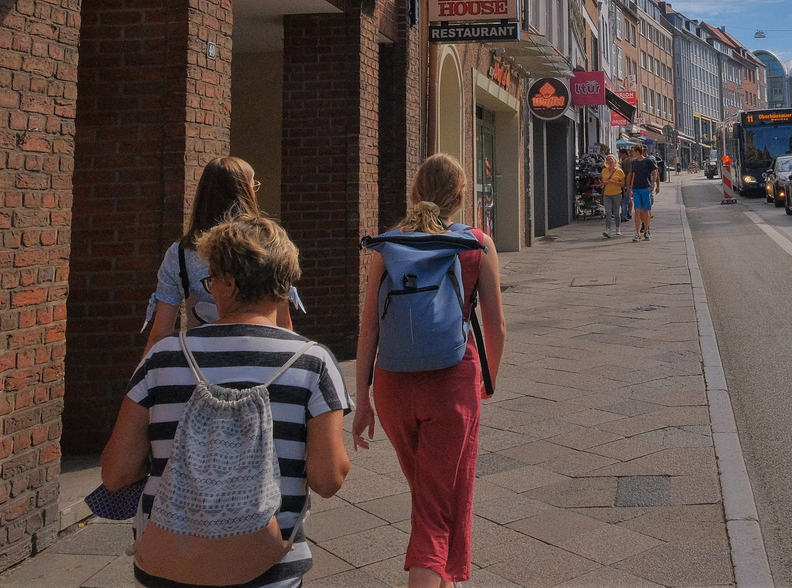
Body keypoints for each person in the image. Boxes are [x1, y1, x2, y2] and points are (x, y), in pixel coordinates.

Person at [102, 214, 351, 588]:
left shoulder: (164, 357)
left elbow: (116, 472)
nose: (211, 289)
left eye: (211, 279)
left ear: (230, 285)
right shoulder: (313, 363)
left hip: (169, 565)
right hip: (266, 567)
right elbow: (328, 478)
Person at [355, 154, 507, 588]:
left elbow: (369, 329)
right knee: (435, 509)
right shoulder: (476, 243)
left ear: (415, 191)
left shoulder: (388, 246)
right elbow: (495, 326)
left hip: (392, 387)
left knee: (429, 496)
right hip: (452, 381)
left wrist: (362, 398)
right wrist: (484, 382)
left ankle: (447, 581)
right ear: (460, 198)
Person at [144, 156, 305, 355]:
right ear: (244, 193)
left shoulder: (179, 253)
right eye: (253, 186)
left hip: (202, 363)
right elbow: (283, 325)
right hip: (260, 359)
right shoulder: (266, 247)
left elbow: (160, 334)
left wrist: (143, 379)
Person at [626, 145, 659, 242]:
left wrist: (652, 185)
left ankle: (646, 230)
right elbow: (633, 175)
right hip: (636, 189)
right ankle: (637, 233)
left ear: (637, 151)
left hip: (645, 188)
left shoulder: (648, 161)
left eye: (633, 151)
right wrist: (630, 188)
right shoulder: (634, 162)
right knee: (637, 210)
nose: (632, 153)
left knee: (646, 210)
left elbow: (655, 172)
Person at [599, 149, 628, 239]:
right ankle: (608, 229)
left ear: (615, 161)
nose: (610, 160)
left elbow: (623, 184)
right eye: (608, 159)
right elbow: (602, 182)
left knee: (616, 212)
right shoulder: (604, 171)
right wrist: (603, 183)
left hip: (617, 194)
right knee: (607, 212)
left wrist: (613, 182)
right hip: (607, 194)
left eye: (611, 159)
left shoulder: (619, 171)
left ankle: (617, 228)